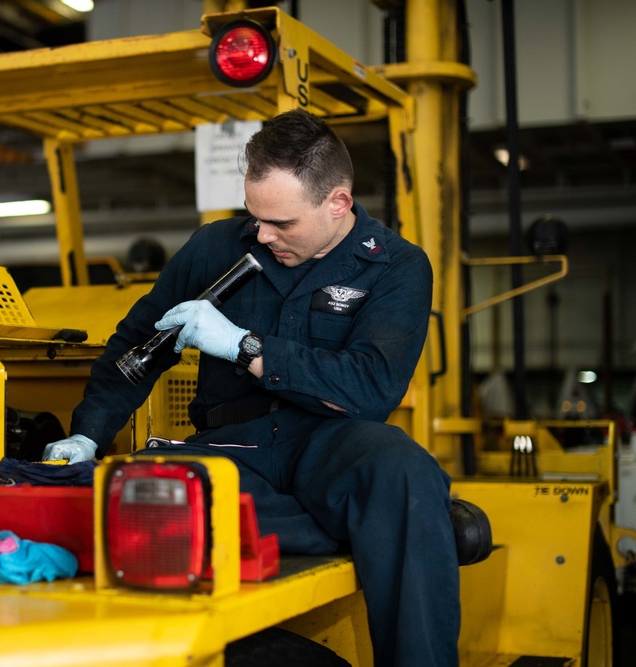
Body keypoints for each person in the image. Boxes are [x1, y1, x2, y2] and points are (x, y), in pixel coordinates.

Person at [43, 108, 460, 667]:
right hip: (230, 448)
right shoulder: (214, 249)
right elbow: (134, 348)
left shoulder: (397, 267)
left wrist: (246, 346)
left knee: (404, 475)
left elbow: (371, 387)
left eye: (282, 223)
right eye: (255, 216)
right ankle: (326, 525)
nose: (263, 235)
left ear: (338, 202)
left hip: (333, 443)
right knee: (116, 493)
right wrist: (88, 436)